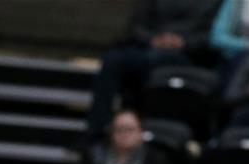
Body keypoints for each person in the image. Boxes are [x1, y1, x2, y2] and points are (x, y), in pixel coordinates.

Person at [87, 0, 222, 137]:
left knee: (155, 64)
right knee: (112, 59)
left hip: (188, 54)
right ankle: (99, 129)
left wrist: (183, 42)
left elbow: (213, 35)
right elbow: (136, 26)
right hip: (149, 47)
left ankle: (144, 128)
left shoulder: (213, 3)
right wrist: (154, 39)